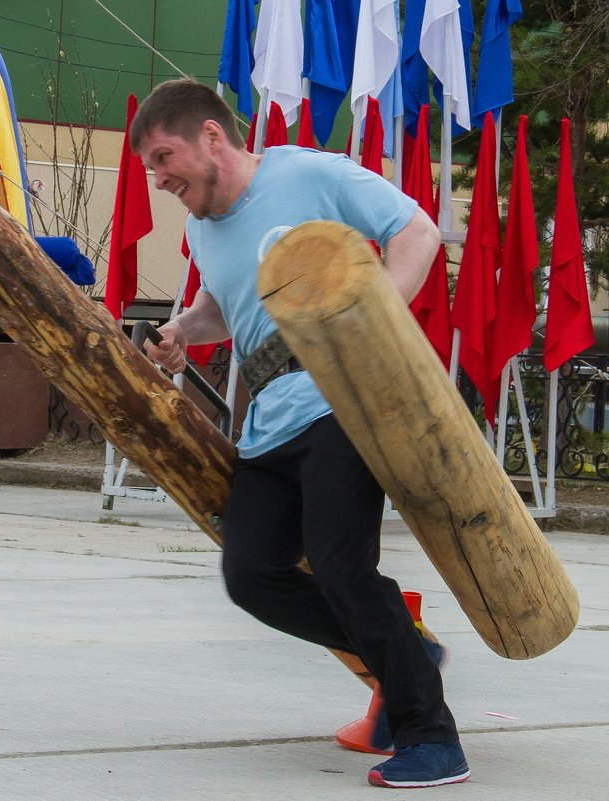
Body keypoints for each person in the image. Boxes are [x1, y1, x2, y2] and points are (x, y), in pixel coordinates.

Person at [130, 78, 468, 790]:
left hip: (341, 404)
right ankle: (403, 652)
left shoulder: (306, 172)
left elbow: (417, 231)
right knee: (251, 574)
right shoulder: (200, 227)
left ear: (211, 138)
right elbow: (222, 309)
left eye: (165, 157)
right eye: (151, 168)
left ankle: (432, 740)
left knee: (342, 567)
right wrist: (180, 332)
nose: (160, 179)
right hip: (268, 426)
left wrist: (371, 316)